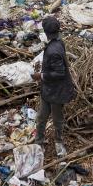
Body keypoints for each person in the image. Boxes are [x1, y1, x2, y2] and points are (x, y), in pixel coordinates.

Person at [32, 16, 75, 155]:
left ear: (45, 32)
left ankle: (58, 142)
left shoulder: (53, 50)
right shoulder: (57, 43)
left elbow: (60, 73)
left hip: (57, 91)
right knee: (41, 117)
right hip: (48, 89)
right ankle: (38, 141)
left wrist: (41, 76)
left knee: (57, 119)